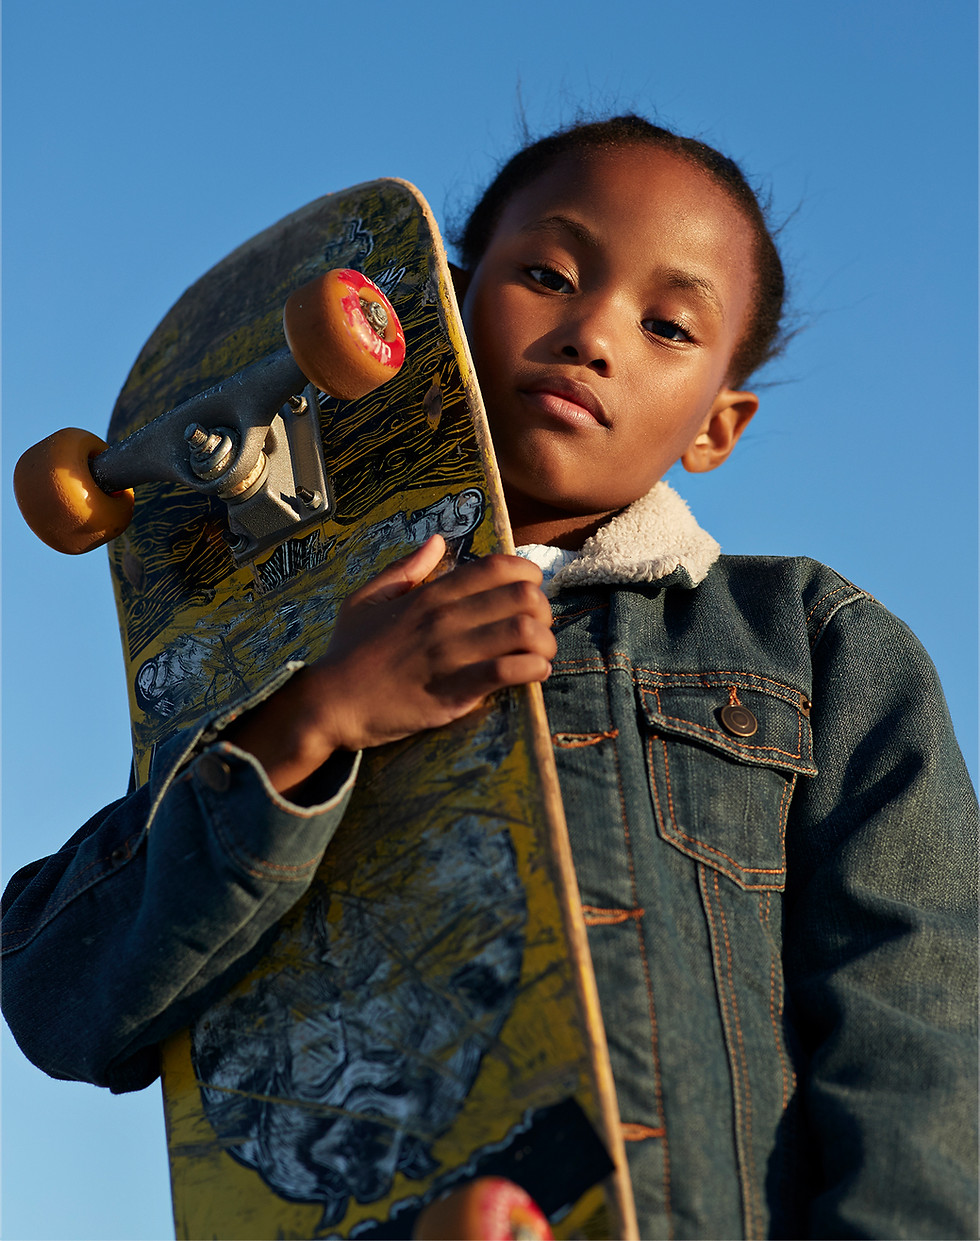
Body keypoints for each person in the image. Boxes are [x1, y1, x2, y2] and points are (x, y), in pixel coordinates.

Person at [3, 116, 976, 1239]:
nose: (592, 335)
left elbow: (923, 1043)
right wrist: (316, 715)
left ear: (717, 422)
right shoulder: (283, 646)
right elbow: (57, 995)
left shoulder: (809, 646)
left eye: (666, 324)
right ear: (440, 304)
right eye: (547, 275)